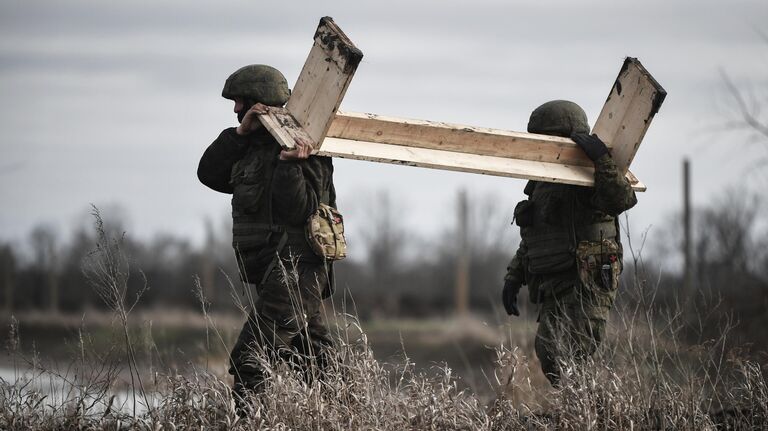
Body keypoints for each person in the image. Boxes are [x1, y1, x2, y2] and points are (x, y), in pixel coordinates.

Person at [197, 64, 337, 407]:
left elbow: (300, 211)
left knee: (251, 358)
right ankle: (349, 416)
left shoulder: (306, 146)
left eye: (242, 102)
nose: (235, 109)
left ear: (261, 102)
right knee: (314, 360)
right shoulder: (249, 147)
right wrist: (239, 134)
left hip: (297, 269)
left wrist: (290, 164)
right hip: (276, 269)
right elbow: (209, 173)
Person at [502, 100, 637, 386]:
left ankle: (596, 415)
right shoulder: (544, 181)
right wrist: (514, 277)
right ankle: (583, 413)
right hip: (556, 280)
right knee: (549, 353)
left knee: (570, 355)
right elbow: (535, 235)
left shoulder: (590, 172)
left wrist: (601, 160)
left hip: (586, 280)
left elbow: (620, 199)